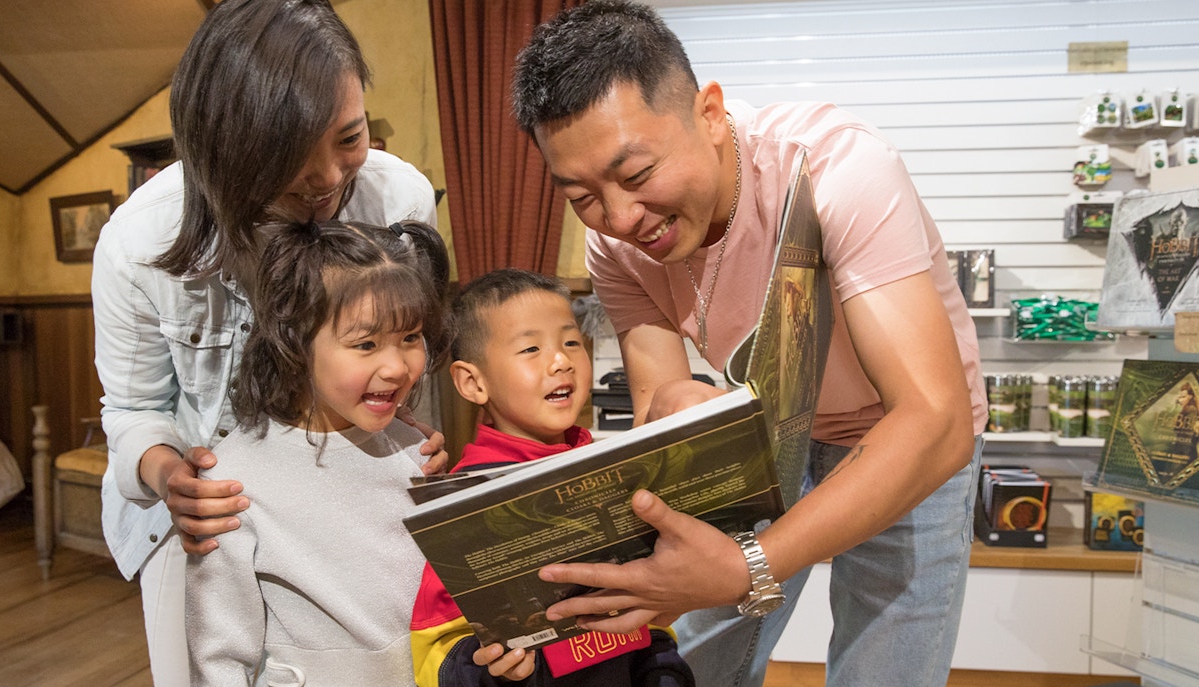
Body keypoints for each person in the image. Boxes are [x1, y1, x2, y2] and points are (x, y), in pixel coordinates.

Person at [510, 3, 987, 686]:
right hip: (773, 426)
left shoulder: (836, 169)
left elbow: (935, 419)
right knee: (696, 657)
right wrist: (679, 410)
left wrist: (747, 566)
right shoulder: (616, 245)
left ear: (708, 113)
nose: (618, 218)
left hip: (905, 433)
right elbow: (657, 404)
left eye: (637, 176)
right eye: (581, 194)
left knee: (885, 666)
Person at [91, 1, 443, 683]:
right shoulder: (139, 241)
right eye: (290, 157)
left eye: (349, 137)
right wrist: (173, 478)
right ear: (223, 148)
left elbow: (403, 347)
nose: (328, 179)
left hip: (349, 485)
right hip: (210, 514)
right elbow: (132, 413)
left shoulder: (397, 197)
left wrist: (408, 434)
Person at [185, 218, 449, 684]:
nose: (396, 366)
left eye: (410, 338)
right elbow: (220, 657)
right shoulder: (232, 484)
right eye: (365, 344)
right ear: (295, 342)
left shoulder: (417, 450)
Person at [410, 268, 694, 687]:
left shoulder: (614, 471)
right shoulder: (463, 504)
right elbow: (435, 649)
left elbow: (648, 605)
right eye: (530, 349)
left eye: (571, 342)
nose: (561, 361)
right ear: (472, 382)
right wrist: (487, 669)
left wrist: (663, 670)